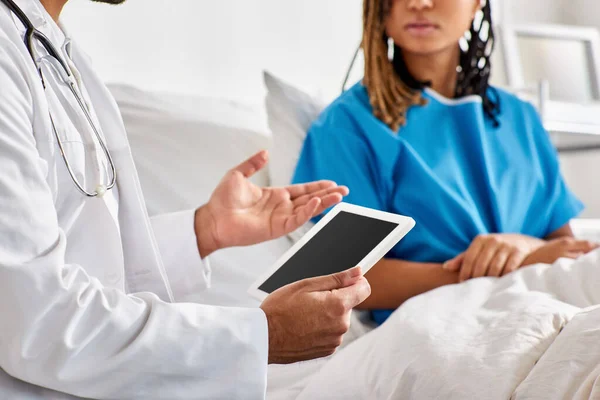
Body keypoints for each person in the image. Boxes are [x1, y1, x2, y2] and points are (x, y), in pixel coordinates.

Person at [0, 0, 372, 398]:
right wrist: (266, 336)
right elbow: (38, 321)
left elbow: (82, 261)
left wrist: (205, 230)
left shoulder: (53, 47)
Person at [292, 0, 596, 325]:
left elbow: (566, 247)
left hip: (548, 309)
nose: (418, 3)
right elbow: (339, 275)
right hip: (436, 326)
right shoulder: (349, 126)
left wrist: (522, 247)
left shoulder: (519, 117)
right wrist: (503, 269)